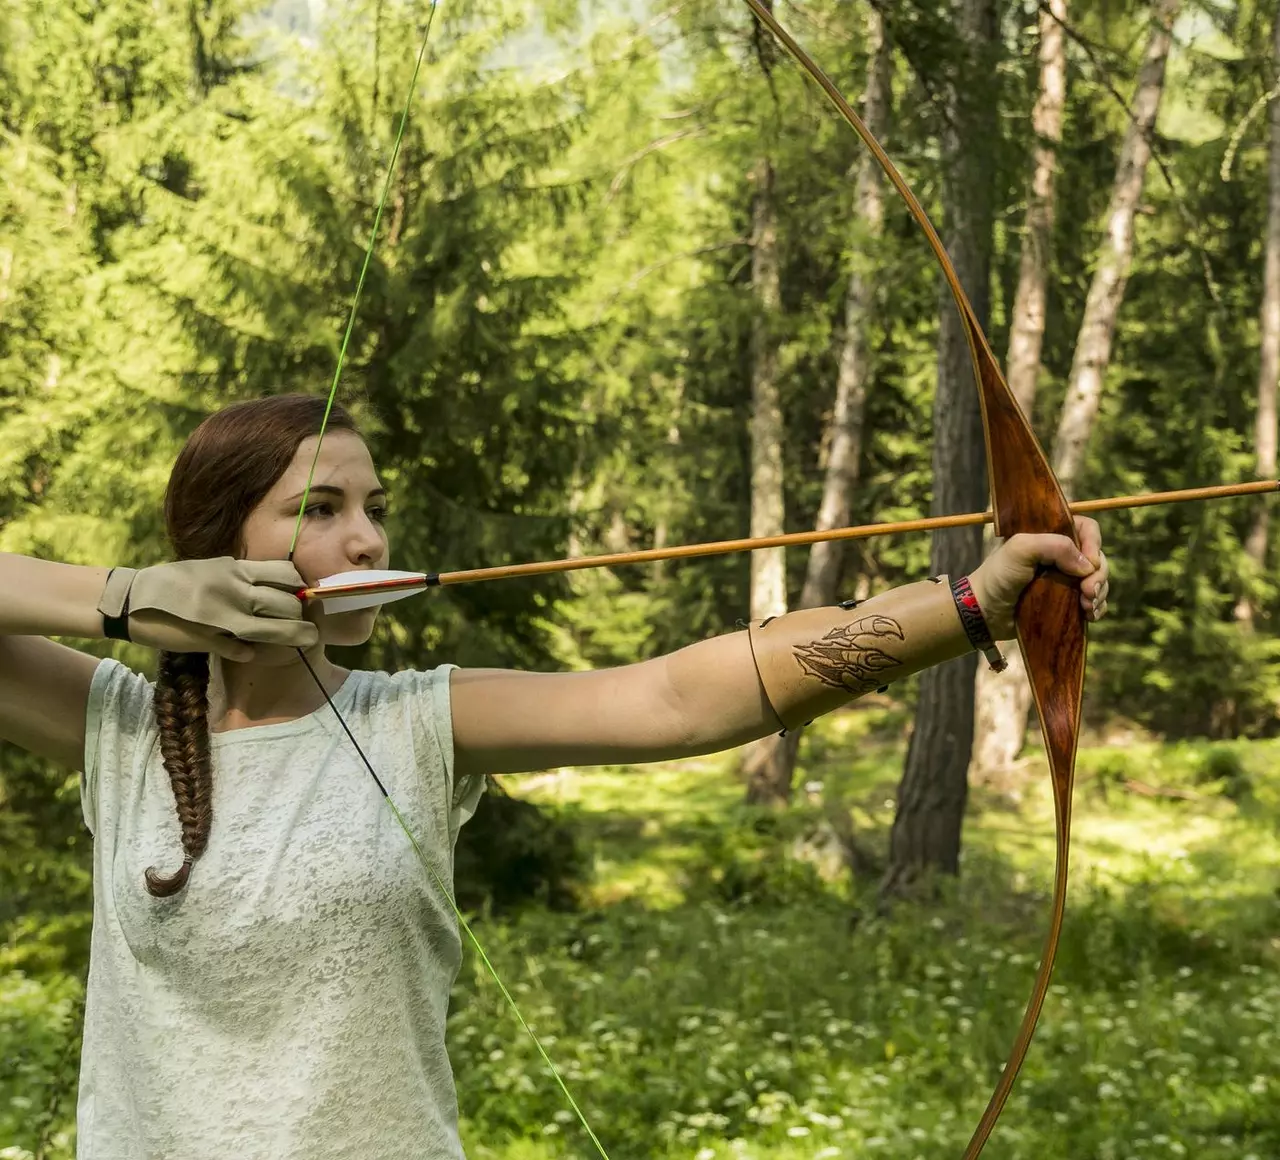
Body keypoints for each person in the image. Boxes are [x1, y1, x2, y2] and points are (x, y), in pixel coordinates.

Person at [0, 394, 1109, 1159]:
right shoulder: (121, 728)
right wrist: (125, 594)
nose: (365, 537)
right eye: (319, 508)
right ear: (214, 542)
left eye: (372, 505)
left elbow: (675, 698)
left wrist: (970, 603)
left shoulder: (414, 720)